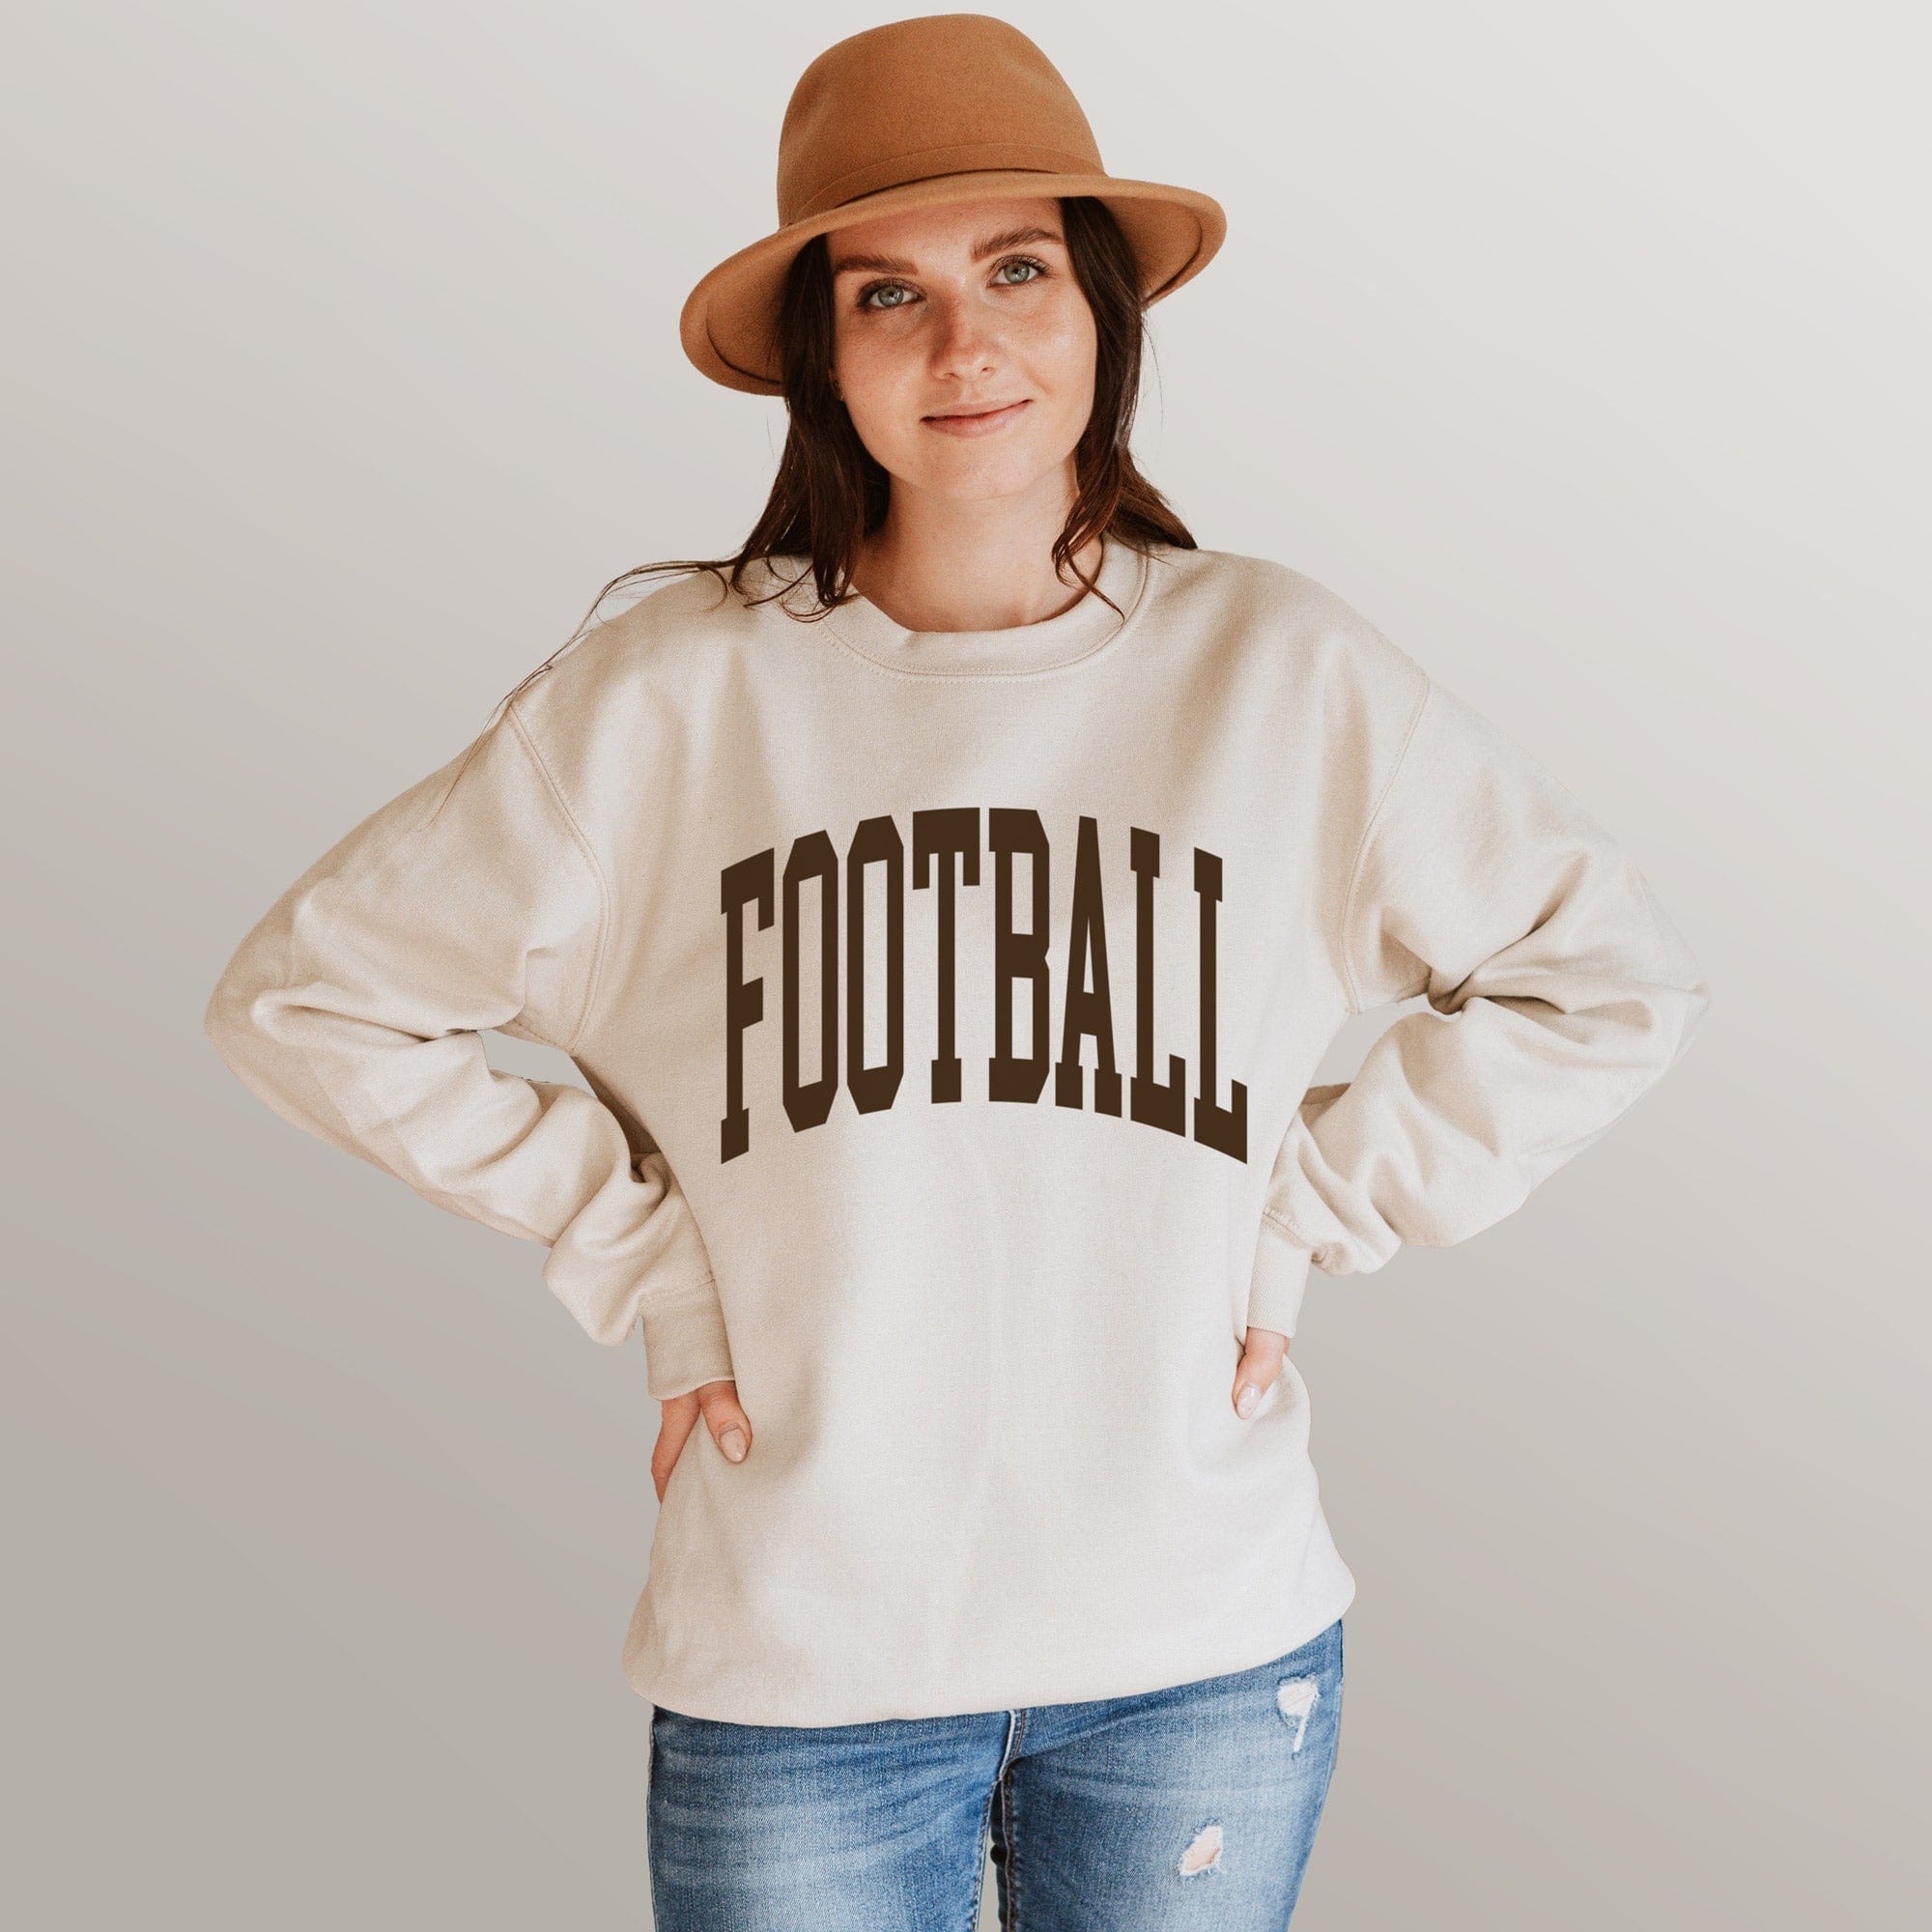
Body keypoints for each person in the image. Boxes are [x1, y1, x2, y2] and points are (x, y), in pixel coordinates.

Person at [202, 15, 1712, 1929]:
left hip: (1199, 1652)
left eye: (1015, 272)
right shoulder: (673, 698)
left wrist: (1299, 1211)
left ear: (1101, 307)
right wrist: (646, 1255)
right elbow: (309, 999)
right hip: (798, 1672)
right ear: (824, 361)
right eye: (885, 292)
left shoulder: (1278, 672)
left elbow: (1606, 979)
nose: (962, 343)